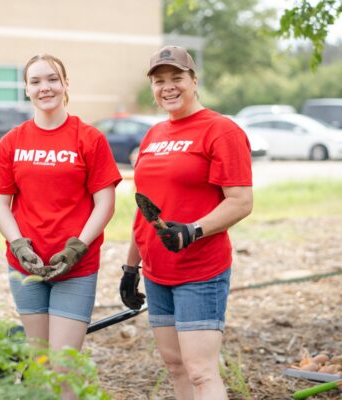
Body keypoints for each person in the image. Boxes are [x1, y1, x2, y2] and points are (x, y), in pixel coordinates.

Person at [119, 46, 253, 400]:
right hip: (158, 272)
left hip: (200, 271)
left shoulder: (221, 130)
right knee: (176, 366)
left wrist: (193, 231)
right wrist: (131, 268)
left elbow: (240, 202)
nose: (168, 87)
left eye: (177, 78)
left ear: (194, 80)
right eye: (159, 80)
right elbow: (144, 208)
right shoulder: (153, 135)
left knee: (200, 372)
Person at [0, 54, 121, 375]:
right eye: (35, 81)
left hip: (75, 267)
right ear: (26, 90)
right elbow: (0, 203)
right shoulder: (12, 141)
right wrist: (18, 244)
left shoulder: (89, 138)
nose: (44, 87)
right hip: (26, 266)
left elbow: (106, 203)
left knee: (63, 369)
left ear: (65, 85)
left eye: (52, 79)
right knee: (40, 365)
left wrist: (77, 247)